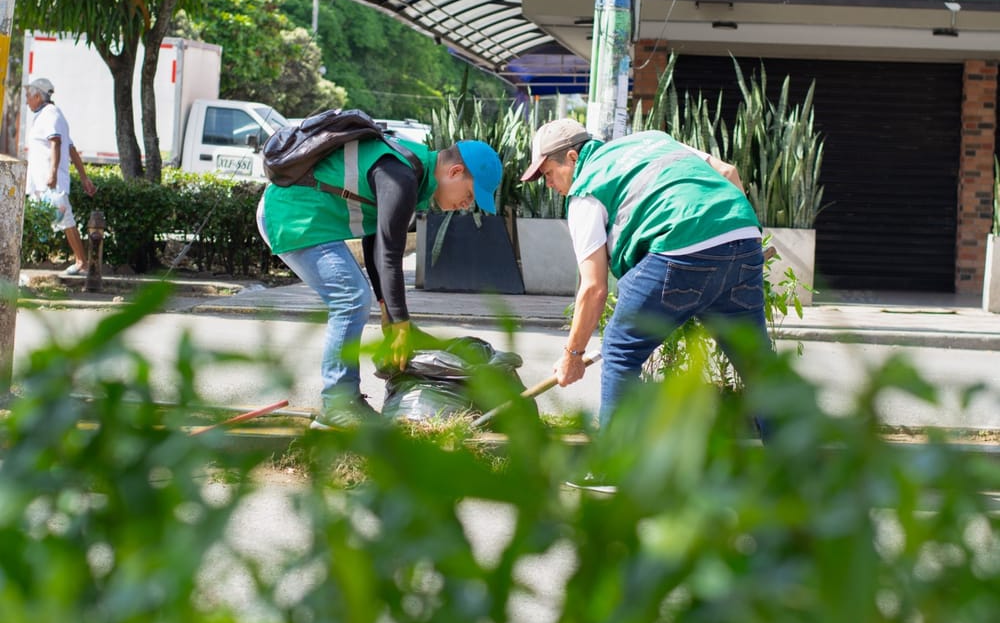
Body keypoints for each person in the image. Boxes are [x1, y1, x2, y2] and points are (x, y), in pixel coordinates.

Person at [520, 119, 771, 437]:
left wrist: (573, 356)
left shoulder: (585, 191)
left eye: (548, 174)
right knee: (759, 364)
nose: (548, 185)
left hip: (678, 245)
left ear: (572, 157)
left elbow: (593, 289)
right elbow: (728, 173)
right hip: (743, 235)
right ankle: (791, 467)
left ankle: (611, 470)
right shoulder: (653, 140)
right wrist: (733, 245)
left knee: (621, 351)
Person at [257, 134, 502, 429]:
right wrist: (399, 323)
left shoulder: (412, 171)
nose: (466, 205)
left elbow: (374, 242)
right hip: (290, 214)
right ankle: (338, 403)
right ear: (455, 172)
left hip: (299, 215)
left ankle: (344, 401)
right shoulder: (401, 176)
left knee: (356, 295)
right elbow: (389, 249)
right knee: (350, 296)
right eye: (471, 195)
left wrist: (388, 309)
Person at [24, 78, 97, 275]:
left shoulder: (50, 114)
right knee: (43, 221)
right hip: (42, 183)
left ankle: (81, 261)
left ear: (38, 96)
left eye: (28, 97)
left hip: (51, 183)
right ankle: (26, 260)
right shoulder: (47, 116)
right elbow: (71, 148)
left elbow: (56, 142)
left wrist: (53, 174)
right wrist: (84, 178)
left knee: (66, 220)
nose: (26, 102)